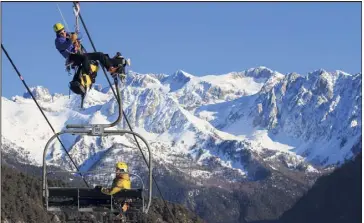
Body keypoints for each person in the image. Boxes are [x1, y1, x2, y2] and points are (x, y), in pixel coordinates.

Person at [53, 23, 124, 77]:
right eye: (61, 33)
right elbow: (65, 45)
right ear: (58, 34)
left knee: (100, 55)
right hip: (72, 58)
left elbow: (80, 35)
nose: (64, 33)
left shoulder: (68, 34)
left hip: (80, 54)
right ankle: (89, 73)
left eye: (64, 31)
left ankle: (111, 68)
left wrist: (76, 36)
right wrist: (72, 40)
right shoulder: (58, 41)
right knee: (85, 58)